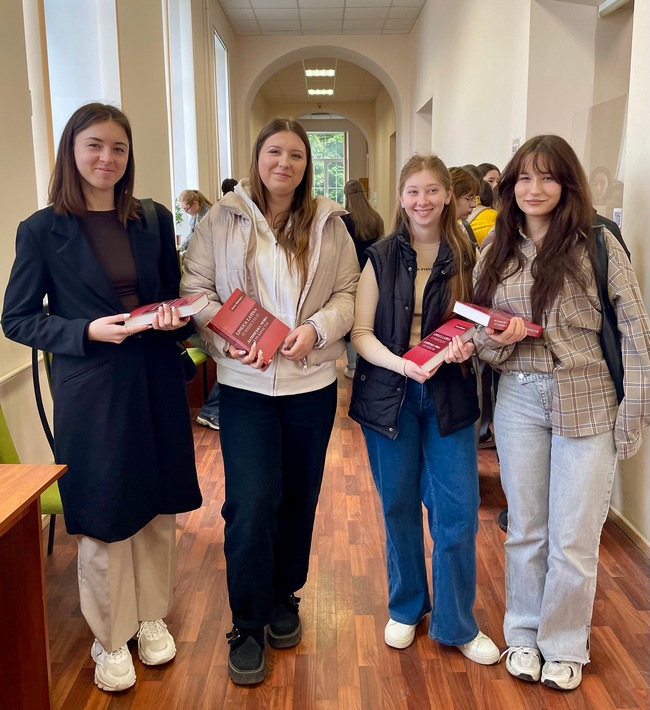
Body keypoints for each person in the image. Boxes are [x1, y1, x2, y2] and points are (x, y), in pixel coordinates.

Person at [1, 103, 202, 692]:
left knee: (157, 502)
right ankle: (109, 636)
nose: (106, 158)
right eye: (94, 145)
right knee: (106, 508)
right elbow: (17, 319)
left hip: (155, 380)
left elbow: (170, 294)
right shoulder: (41, 230)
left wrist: (174, 317)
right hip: (92, 391)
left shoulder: (152, 218)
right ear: (72, 150)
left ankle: (151, 615)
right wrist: (85, 331)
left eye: (118, 148)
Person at [180, 117, 359, 685]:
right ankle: (248, 622)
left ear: (308, 166)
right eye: (275, 152)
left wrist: (316, 330)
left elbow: (349, 292)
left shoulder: (330, 223)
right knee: (251, 503)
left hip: (311, 385)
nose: (285, 163)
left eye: (296, 155)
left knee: (299, 499)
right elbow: (195, 290)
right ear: (257, 157)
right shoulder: (221, 218)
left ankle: (284, 595)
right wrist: (230, 336)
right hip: (245, 386)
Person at [473, 134, 650, 691]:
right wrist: (498, 338)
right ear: (509, 186)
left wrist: (634, 413)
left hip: (589, 395)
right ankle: (524, 635)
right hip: (519, 398)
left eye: (547, 177)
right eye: (524, 177)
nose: (534, 189)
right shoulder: (495, 247)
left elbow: (635, 331)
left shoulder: (597, 242)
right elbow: (477, 334)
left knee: (574, 535)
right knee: (526, 529)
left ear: (566, 183)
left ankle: (565, 643)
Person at [348, 154, 500, 667]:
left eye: (432, 190)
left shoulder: (468, 253)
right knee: (398, 506)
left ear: (449, 195)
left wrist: (469, 345)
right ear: (400, 197)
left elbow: (480, 322)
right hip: (389, 393)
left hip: (449, 394)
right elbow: (360, 334)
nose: (423, 200)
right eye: (413, 191)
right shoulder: (380, 256)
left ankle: (456, 623)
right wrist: (403, 365)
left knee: (457, 512)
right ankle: (407, 606)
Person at [189, 178, 238, 431]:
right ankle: (210, 410)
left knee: (231, 357)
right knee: (229, 358)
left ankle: (211, 409)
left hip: (217, 321)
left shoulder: (211, 216)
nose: (187, 212)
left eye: (187, 208)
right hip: (208, 323)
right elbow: (197, 289)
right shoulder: (211, 220)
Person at [341, 178, 384, 378]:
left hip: (350, 276)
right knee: (369, 320)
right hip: (373, 274)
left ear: (347, 196)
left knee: (351, 321)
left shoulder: (344, 221)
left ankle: (352, 366)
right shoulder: (376, 218)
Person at [178, 188, 213, 255]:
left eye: (186, 209)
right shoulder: (194, 216)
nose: (186, 212)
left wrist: (185, 253)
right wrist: (181, 247)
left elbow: (204, 242)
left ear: (195, 203)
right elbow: (192, 236)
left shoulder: (208, 215)